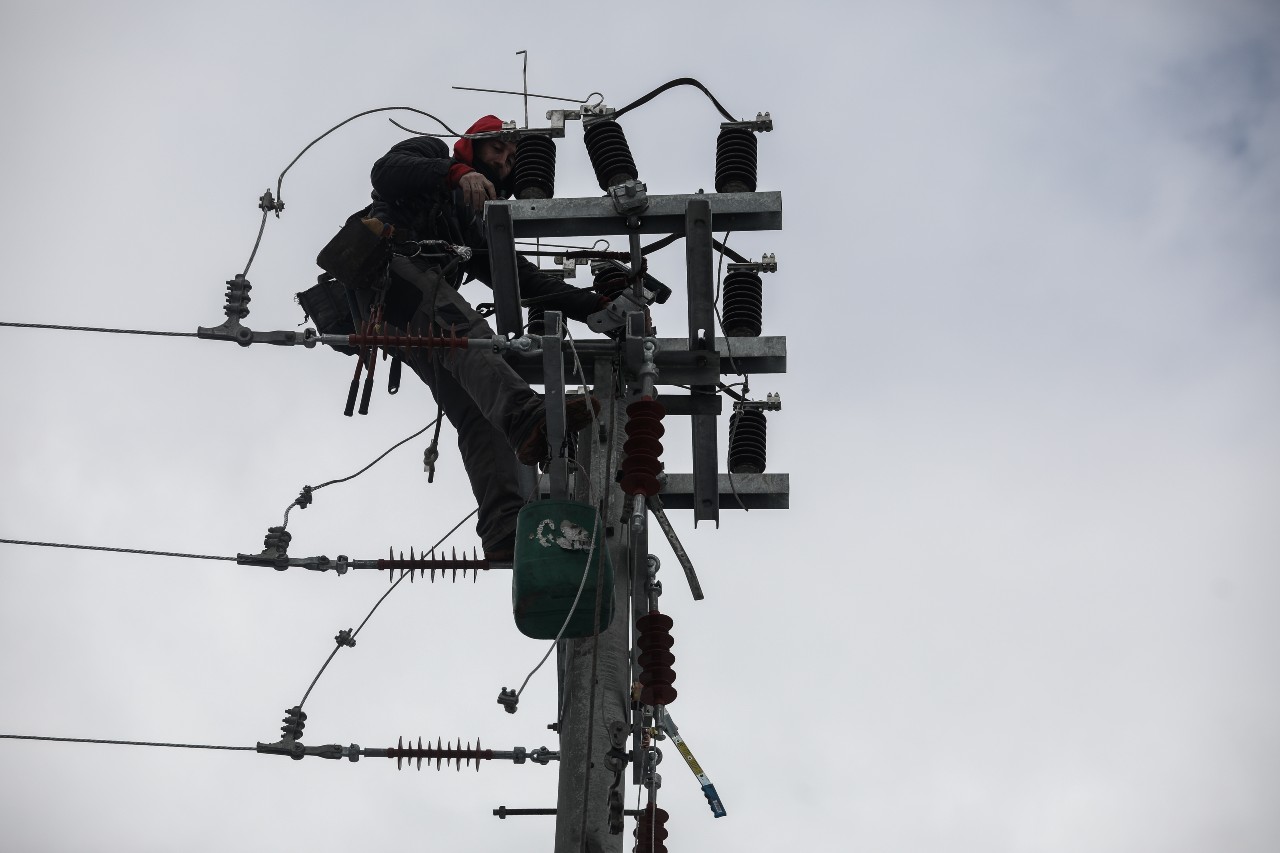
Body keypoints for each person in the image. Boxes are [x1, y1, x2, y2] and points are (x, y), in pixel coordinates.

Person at [348, 115, 602, 561]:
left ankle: (503, 525)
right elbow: (384, 173)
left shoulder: (470, 227)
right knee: (468, 335)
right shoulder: (432, 155)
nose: (505, 160)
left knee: (475, 404)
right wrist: (456, 171)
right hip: (385, 270)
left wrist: (594, 306)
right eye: (498, 148)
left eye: (511, 157)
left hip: (404, 314)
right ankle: (525, 414)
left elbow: (521, 280)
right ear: (473, 142)